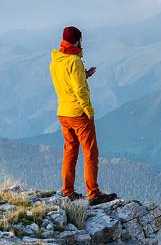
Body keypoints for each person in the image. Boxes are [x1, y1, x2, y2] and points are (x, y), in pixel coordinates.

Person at [49, 26, 117, 204]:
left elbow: (65, 82)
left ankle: (67, 191)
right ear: (78, 40)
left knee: (70, 152)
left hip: (63, 113)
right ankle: (93, 194)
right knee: (90, 153)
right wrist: (89, 110)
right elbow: (79, 90)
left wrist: (83, 75)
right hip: (78, 114)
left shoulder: (56, 60)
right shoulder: (74, 61)